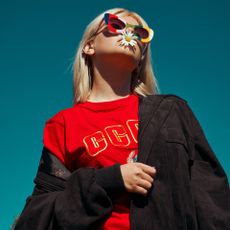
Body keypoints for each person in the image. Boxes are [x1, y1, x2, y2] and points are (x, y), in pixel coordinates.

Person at [13, 7, 230, 230]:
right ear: (89, 46)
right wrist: (109, 180)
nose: (130, 35)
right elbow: (38, 216)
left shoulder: (171, 112)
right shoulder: (64, 124)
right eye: (116, 24)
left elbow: (212, 198)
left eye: (140, 33)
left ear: (143, 54)